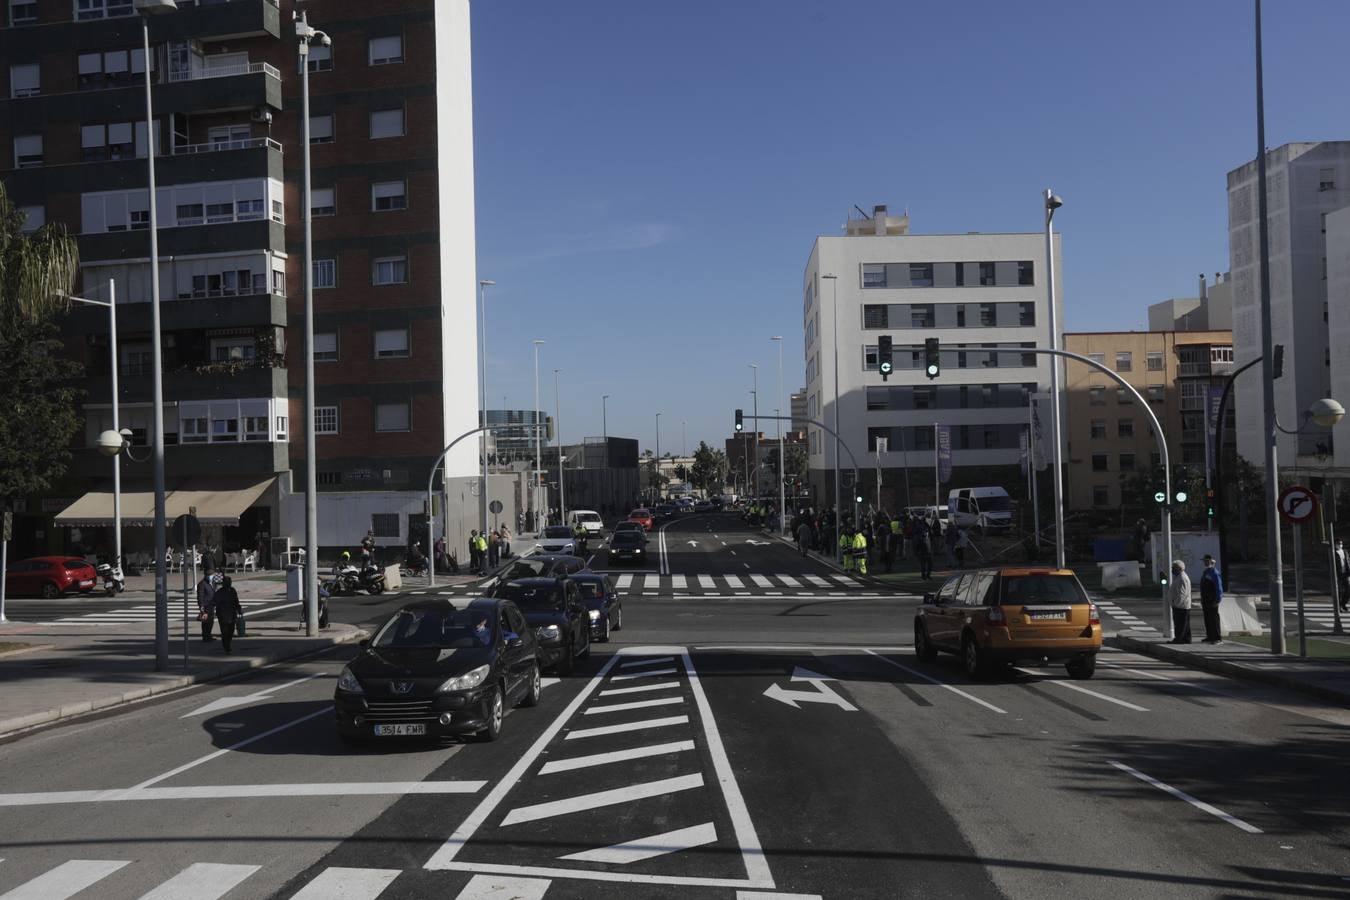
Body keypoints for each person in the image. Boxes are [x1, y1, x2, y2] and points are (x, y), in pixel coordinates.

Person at [1199, 554, 1224, 644]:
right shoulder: (1206, 572)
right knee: (1207, 619)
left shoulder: (1214, 573)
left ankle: (1217, 638)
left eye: (1207, 561)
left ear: (1211, 562)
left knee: (1214, 619)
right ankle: (1210, 636)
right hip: (1205, 600)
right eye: (1204, 561)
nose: (1205, 563)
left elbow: (1219, 587)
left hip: (1212, 600)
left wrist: (1218, 599)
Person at [213, 576, 242, 653]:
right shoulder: (219, 592)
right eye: (227, 582)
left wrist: (239, 609)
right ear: (223, 583)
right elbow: (215, 602)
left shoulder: (232, 590)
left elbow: (236, 600)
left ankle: (228, 643)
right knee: (224, 632)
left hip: (232, 613)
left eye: (230, 582)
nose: (229, 584)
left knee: (231, 631)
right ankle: (226, 646)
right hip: (223, 614)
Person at [1168, 559, 1192, 644]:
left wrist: (1175, 604)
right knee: (1184, 624)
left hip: (1181, 606)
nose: (1172, 570)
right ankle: (1186, 639)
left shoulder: (1182, 578)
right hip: (1181, 605)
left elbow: (1182, 594)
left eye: (1174, 568)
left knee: (1180, 624)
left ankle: (1179, 639)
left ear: (1180, 568)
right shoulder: (1179, 577)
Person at [196, 572, 216, 642]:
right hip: (206, 606)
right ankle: (205, 636)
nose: (212, 576)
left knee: (211, 622)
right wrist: (201, 607)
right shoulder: (202, 584)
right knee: (205, 622)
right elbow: (200, 597)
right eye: (210, 575)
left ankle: (208, 635)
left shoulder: (212, 583)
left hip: (211, 605)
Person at [1336, 539, 1350, 612]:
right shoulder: (1334, 553)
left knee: (1348, 589)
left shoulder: (1345, 551)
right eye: (1338, 543)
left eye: (1341, 543)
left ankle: (1343, 604)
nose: (1340, 545)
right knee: (1338, 591)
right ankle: (1339, 607)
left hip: (1345, 573)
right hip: (1338, 574)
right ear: (1335, 544)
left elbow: (1348, 561)